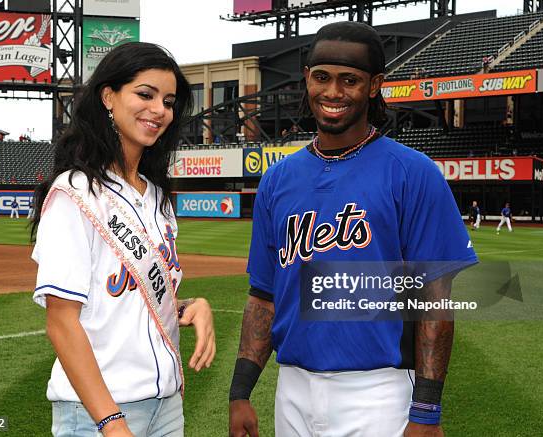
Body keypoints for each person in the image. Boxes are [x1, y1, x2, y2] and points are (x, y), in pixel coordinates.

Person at [228, 22, 477, 437]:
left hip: (378, 392)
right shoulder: (278, 179)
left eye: (350, 81)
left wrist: (427, 412)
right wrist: (240, 391)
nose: (333, 93)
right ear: (307, 78)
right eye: (322, 77)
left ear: (375, 85)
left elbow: (434, 301)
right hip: (291, 388)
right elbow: (263, 297)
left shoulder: (412, 173)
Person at [30, 42, 216, 437]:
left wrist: (187, 306)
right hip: (99, 415)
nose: (159, 110)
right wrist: (111, 423)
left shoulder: (157, 196)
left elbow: (130, 297)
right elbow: (62, 323)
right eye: (145, 94)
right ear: (108, 96)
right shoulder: (75, 193)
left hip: (166, 408)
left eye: (168, 101)